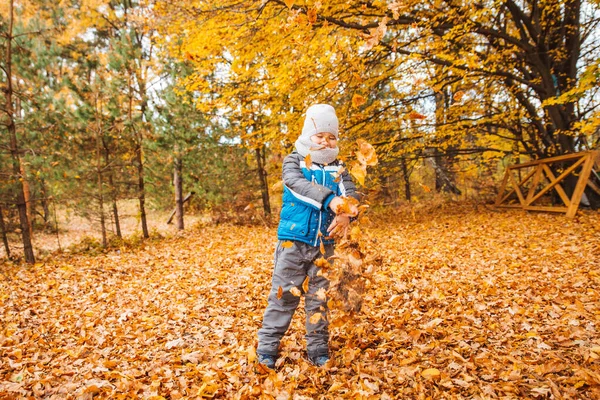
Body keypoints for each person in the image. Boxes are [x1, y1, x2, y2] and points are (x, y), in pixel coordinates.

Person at [256, 104, 360, 369]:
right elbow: (298, 187)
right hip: (294, 242)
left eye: (331, 136)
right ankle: (267, 348)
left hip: (325, 247)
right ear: (307, 135)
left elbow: (352, 195)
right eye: (319, 136)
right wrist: (331, 201)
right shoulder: (295, 161)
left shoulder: (340, 168)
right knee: (283, 297)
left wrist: (347, 213)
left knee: (319, 300)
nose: (326, 141)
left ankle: (317, 349)